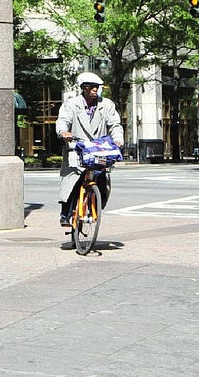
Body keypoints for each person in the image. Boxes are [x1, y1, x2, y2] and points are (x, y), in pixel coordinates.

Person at [55, 71, 123, 248]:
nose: (96, 90)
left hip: (98, 149)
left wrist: (118, 139)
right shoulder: (71, 104)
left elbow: (115, 124)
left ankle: (94, 203)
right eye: (92, 87)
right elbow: (63, 120)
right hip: (76, 149)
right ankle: (66, 214)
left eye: (97, 87)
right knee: (73, 182)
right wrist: (64, 132)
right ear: (84, 88)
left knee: (101, 181)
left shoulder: (106, 105)